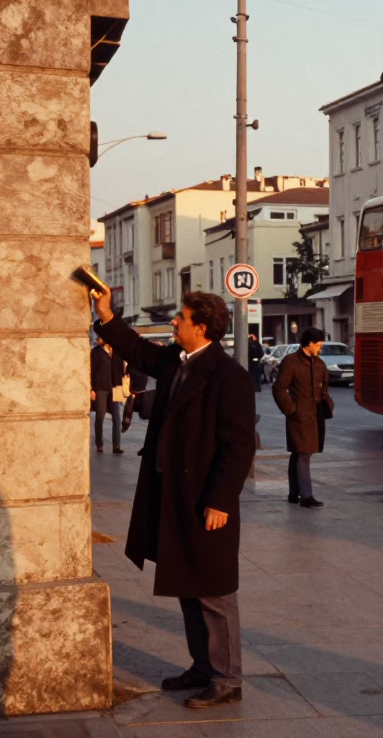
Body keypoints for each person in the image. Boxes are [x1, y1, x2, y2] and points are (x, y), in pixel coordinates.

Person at [90, 286, 256, 709]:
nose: (173, 322)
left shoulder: (228, 376)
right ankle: (202, 667)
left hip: (205, 501)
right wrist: (106, 315)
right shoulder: (175, 361)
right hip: (172, 496)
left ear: (201, 328)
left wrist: (220, 500)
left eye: (180, 318)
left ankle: (227, 678)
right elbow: (139, 351)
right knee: (188, 585)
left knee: (214, 593)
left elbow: (239, 446)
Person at [272, 327, 333, 509]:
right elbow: (279, 388)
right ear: (308, 344)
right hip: (299, 417)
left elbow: (324, 390)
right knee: (304, 454)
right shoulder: (291, 362)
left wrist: (328, 405)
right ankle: (306, 496)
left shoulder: (320, 364)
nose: (320, 348)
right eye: (318, 344)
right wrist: (291, 409)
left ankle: (293, 493)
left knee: (299, 453)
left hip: (316, 417)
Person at [90, 339, 124, 454]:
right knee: (100, 416)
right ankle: (99, 443)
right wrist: (91, 389)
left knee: (117, 417)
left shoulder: (117, 352)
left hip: (115, 388)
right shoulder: (96, 352)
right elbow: (91, 370)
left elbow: (121, 369)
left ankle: (116, 446)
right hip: (100, 388)